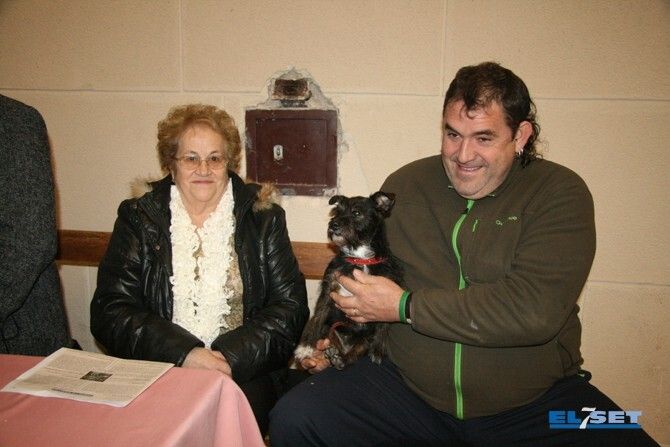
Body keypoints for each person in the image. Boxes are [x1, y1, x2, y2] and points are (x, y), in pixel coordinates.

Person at [268, 63, 659, 446]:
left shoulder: (560, 193)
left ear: (520, 135)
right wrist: (338, 342)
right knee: (296, 416)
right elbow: (370, 286)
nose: (463, 154)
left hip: (539, 404)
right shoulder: (407, 185)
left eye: (483, 138)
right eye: (452, 134)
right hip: (406, 392)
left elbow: (534, 311)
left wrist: (405, 306)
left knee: (623, 433)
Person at [90, 103, 308, 435]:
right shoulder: (138, 217)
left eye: (215, 158)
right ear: (171, 164)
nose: (203, 169)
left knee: (219, 425)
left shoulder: (263, 219)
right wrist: (186, 354)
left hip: (243, 371)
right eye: (191, 158)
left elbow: (289, 309)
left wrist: (226, 358)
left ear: (228, 163)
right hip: (157, 367)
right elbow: (110, 310)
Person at [0, 95, 73, 356]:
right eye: (186, 158)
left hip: (14, 337)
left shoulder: (12, 120)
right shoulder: (135, 217)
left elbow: (30, 241)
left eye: (185, 158)